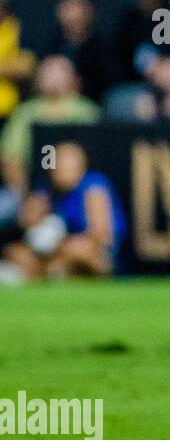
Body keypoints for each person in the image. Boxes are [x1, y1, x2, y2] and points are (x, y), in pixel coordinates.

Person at [2, 142, 125, 281]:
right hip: (52, 254)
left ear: (80, 166)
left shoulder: (93, 186)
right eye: (58, 165)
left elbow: (100, 235)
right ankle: (51, 273)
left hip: (94, 253)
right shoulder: (47, 190)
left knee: (78, 250)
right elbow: (25, 223)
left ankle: (46, 273)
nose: (61, 170)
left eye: (66, 165)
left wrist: (59, 244)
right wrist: (36, 212)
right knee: (15, 252)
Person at [0, 57, 99, 196]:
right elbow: (10, 157)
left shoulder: (86, 110)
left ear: (72, 78)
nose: (53, 78)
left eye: (58, 72)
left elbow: (95, 154)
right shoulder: (25, 112)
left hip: (79, 187)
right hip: (31, 187)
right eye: (47, 72)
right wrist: (25, 194)